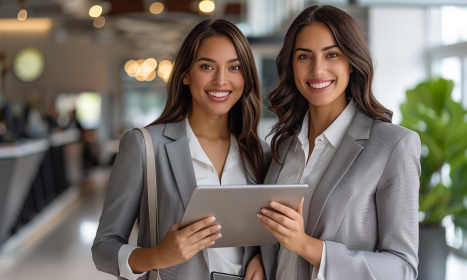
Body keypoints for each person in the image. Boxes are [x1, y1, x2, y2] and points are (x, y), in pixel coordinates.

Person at [92, 19, 271, 280]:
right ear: (185, 74)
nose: (221, 80)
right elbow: (103, 249)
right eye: (207, 66)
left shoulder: (260, 153)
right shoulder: (144, 146)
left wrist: (261, 258)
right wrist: (158, 256)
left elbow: (268, 237)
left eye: (234, 67)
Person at [256, 5, 421, 280]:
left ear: (352, 61)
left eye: (331, 54)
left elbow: (402, 269)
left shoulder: (393, 145)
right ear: (291, 65)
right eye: (304, 56)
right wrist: (261, 261)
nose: (317, 69)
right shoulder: (282, 146)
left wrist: (306, 246)